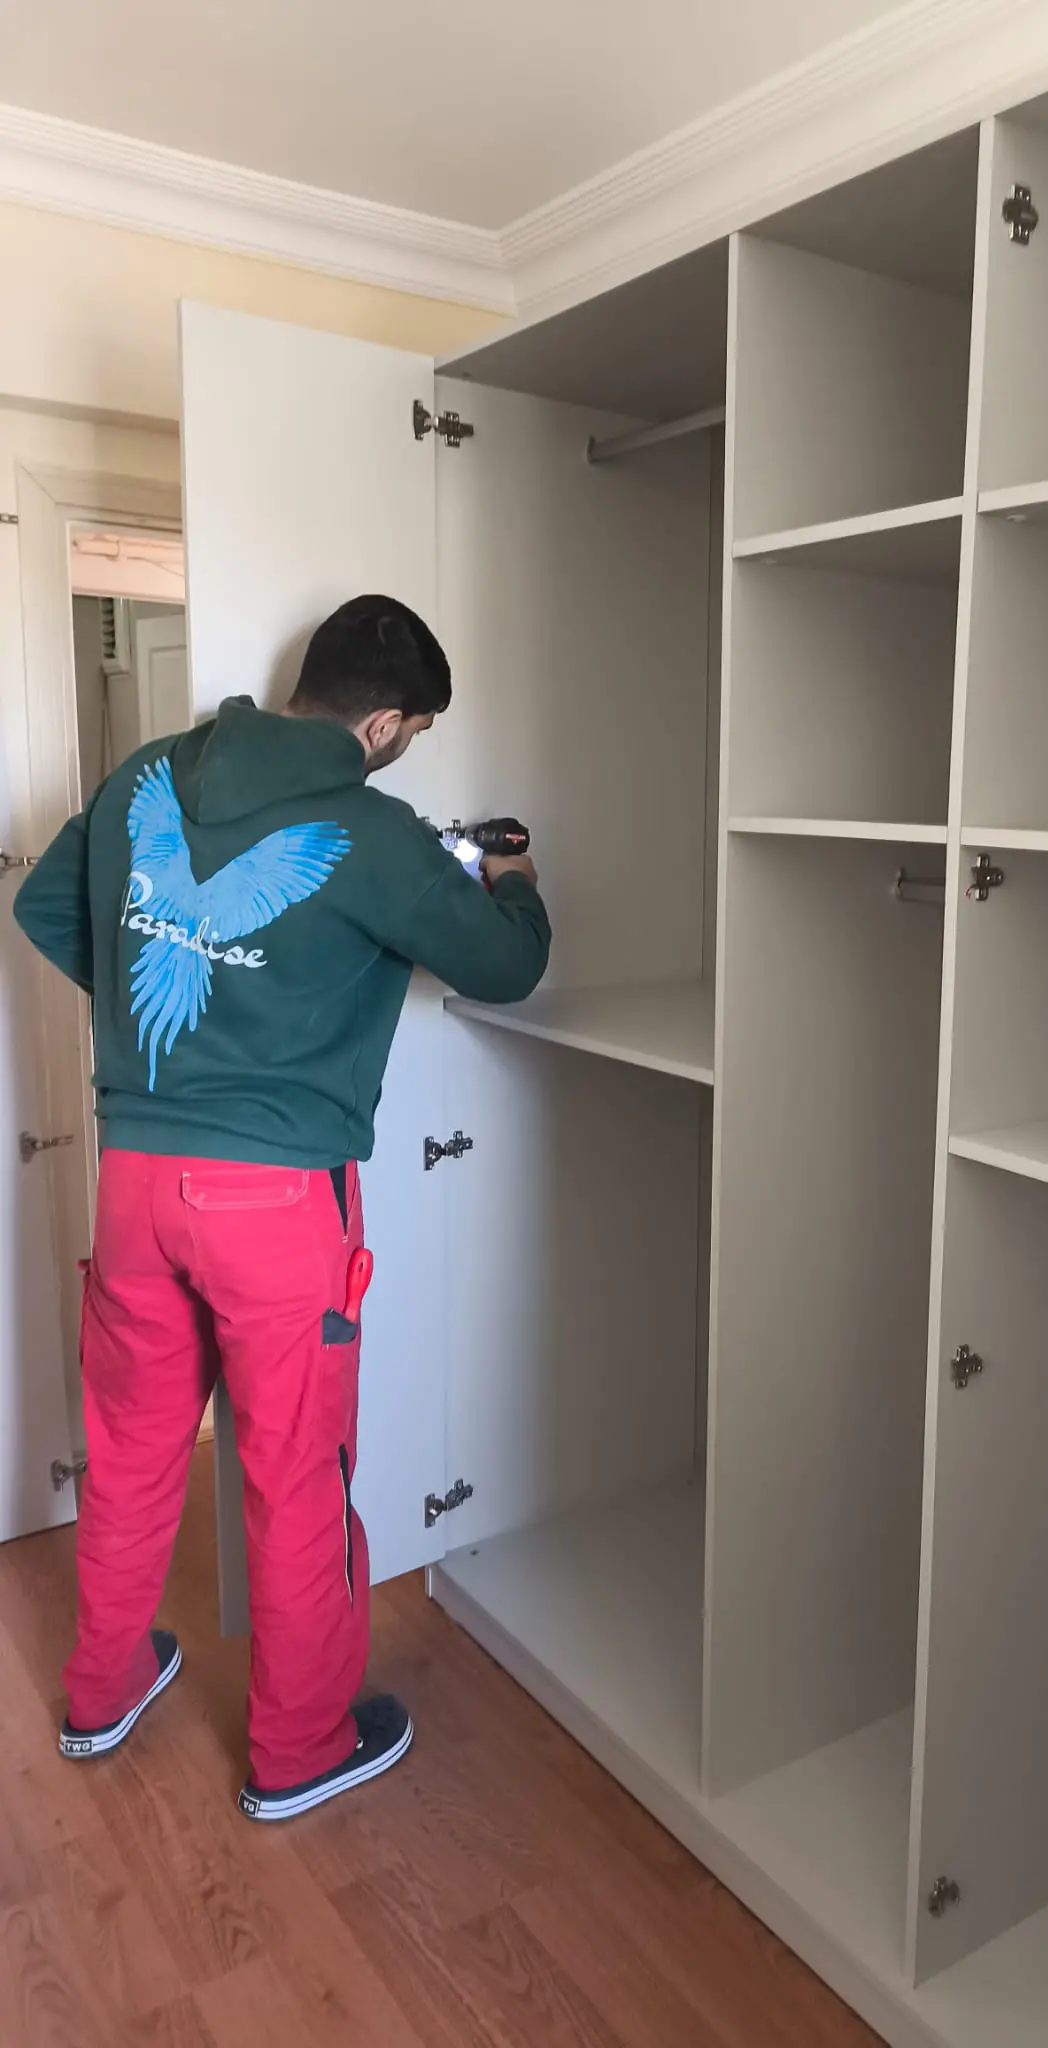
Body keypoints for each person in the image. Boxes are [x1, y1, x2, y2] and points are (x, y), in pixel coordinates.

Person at [12, 594, 550, 1821]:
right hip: (278, 1202)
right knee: (296, 1474)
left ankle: (101, 1689)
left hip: (136, 1180)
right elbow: (509, 964)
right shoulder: (371, 832)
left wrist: (168, 1011)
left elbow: (44, 907)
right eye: (412, 731)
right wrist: (513, 876)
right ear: (382, 724)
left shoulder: (149, 774)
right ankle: (299, 1748)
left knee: (133, 1448)